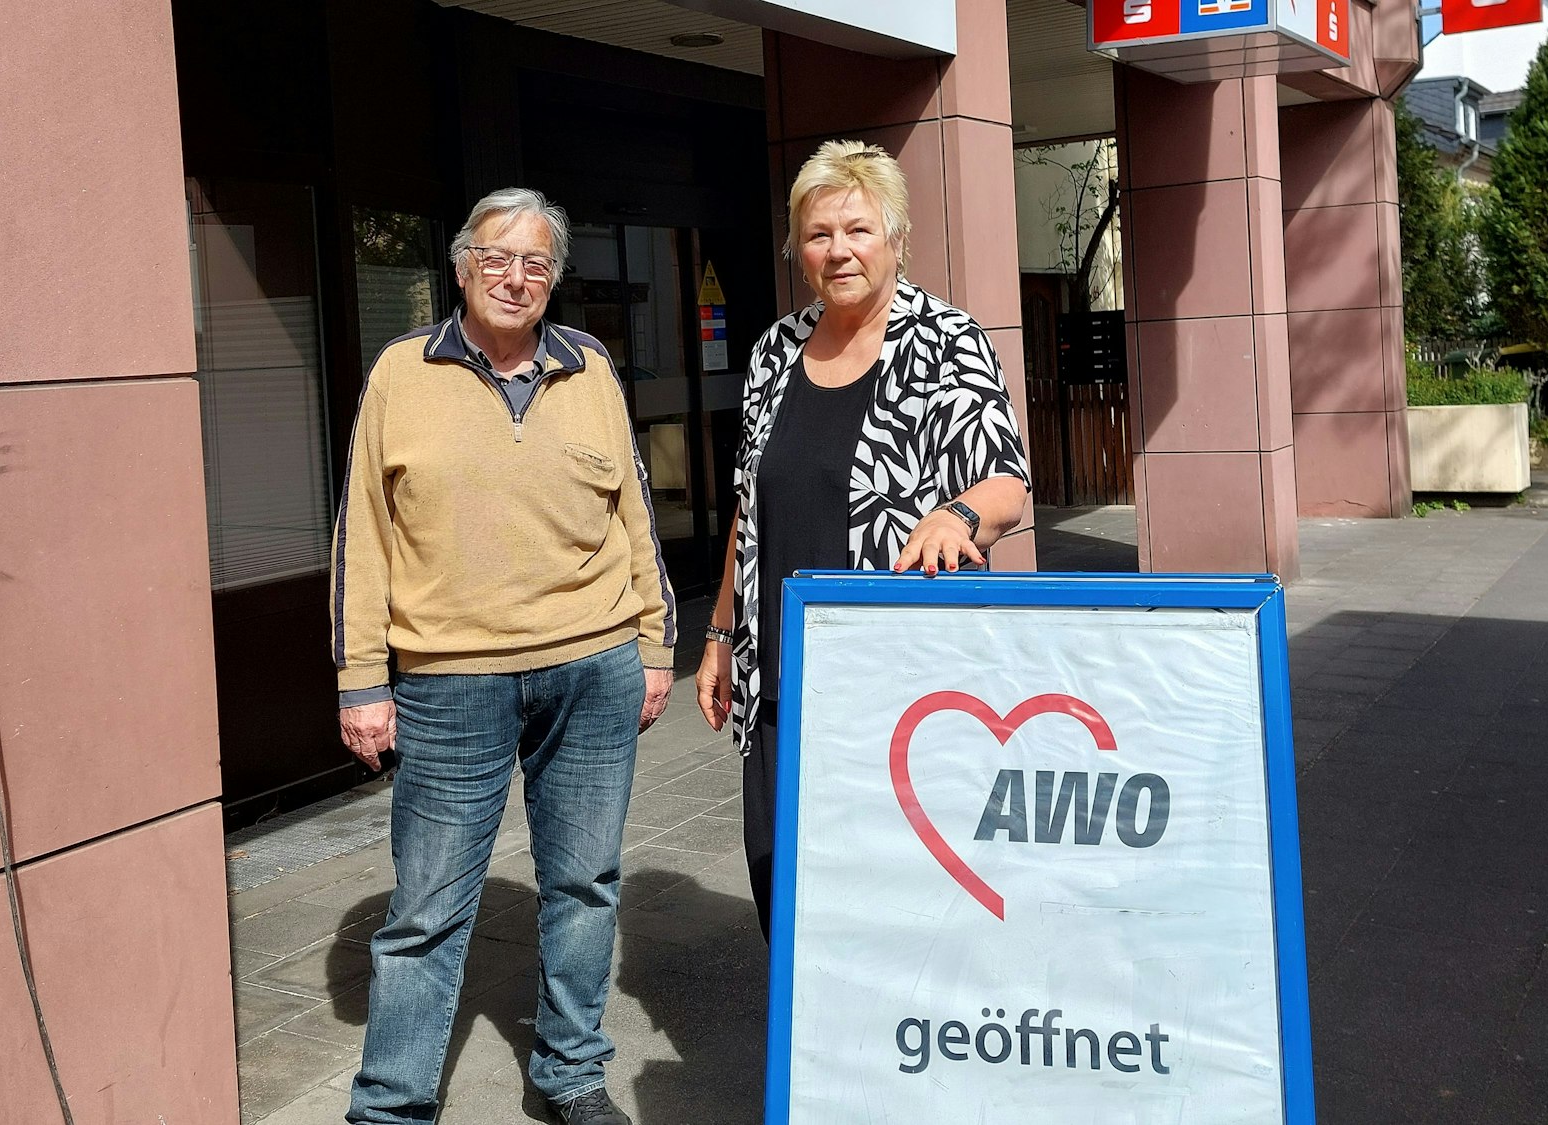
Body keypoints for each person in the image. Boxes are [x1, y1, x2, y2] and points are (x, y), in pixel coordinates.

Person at [332, 187, 673, 1125]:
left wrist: (654, 644)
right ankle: (392, 1103)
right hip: (449, 680)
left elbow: (634, 514)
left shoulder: (589, 366)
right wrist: (361, 680)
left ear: (553, 278)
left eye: (535, 263)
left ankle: (571, 1071)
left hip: (593, 665)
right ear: (461, 266)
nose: (515, 277)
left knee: (585, 884)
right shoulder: (402, 372)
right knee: (427, 907)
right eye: (496, 257)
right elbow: (363, 536)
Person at [693, 140, 1032, 938]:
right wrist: (719, 632)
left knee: (894, 906)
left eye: (857, 229)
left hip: (897, 685)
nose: (838, 250)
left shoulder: (946, 341)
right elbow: (749, 503)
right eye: (818, 234)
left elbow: (1007, 483)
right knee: (783, 895)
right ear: (798, 249)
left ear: (896, 239)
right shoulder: (775, 351)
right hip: (780, 681)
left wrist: (956, 516)